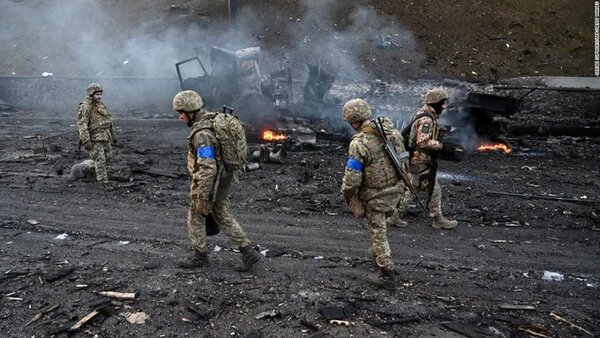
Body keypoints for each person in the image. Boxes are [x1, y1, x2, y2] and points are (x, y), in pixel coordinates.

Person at [172, 90, 261, 271]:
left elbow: (207, 167)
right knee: (222, 215)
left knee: (196, 215)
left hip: (211, 182)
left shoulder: (202, 135)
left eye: (181, 113)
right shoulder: (212, 120)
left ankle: (200, 256)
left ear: (191, 112)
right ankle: (248, 251)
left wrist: (202, 196)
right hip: (223, 179)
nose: (180, 117)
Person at [340, 98, 405, 290]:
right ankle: (378, 257)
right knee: (381, 228)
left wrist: (347, 193)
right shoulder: (390, 131)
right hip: (396, 189)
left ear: (354, 121)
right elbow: (403, 157)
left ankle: (387, 273)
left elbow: (352, 178)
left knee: (378, 233)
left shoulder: (359, 143)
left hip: (375, 195)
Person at [390, 88, 458, 230]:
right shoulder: (426, 119)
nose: (444, 107)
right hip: (419, 159)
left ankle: (396, 215)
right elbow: (422, 142)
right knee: (425, 187)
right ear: (436, 103)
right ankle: (435, 219)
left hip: (416, 159)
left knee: (421, 187)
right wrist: (441, 146)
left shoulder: (422, 113)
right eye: (443, 103)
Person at [76, 83, 117, 189]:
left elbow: (108, 121)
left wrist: (113, 135)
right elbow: (82, 124)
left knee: (108, 157)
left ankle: (87, 168)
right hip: (95, 138)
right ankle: (104, 183)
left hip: (105, 136)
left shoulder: (101, 105)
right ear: (91, 94)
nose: (99, 96)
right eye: (97, 94)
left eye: (100, 94)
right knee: (100, 160)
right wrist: (86, 140)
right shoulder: (85, 106)